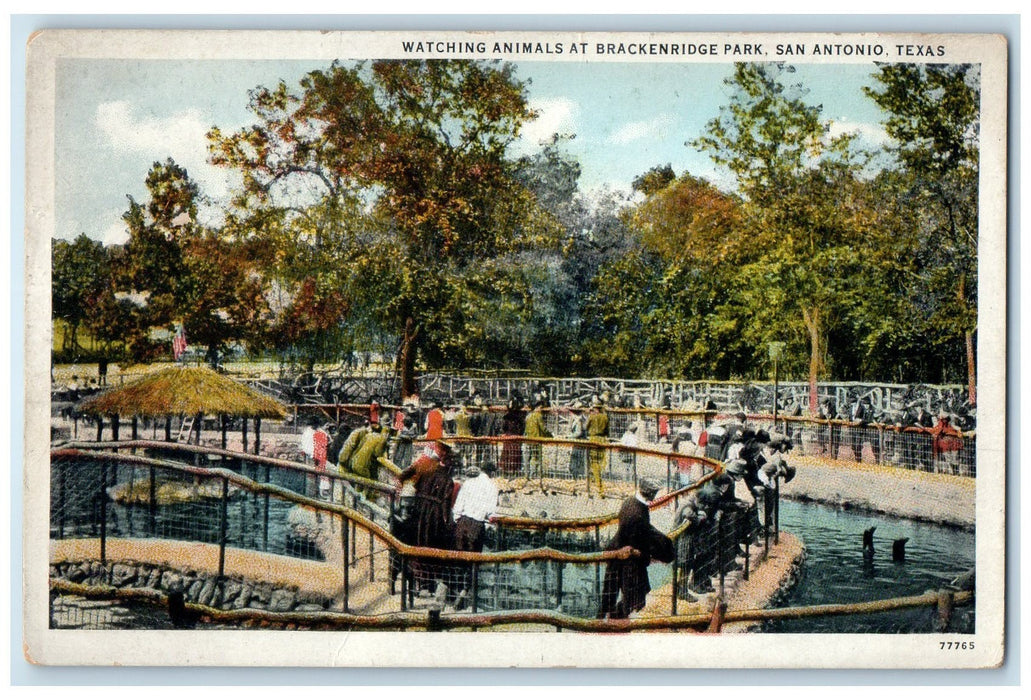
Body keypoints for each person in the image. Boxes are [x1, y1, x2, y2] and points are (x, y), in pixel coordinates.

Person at [598, 478, 673, 619]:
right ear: (651, 494)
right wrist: (648, 556)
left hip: (620, 553)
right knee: (634, 598)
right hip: (627, 558)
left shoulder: (630, 501)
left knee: (611, 595)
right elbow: (638, 540)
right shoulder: (637, 513)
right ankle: (616, 621)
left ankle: (610, 619)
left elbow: (643, 533)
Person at [396, 441, 458, 594]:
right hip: (434, 514)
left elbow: (411, 481)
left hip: (419, 508)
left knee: (417, 541)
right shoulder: (448, 481)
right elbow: (445, 503)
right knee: (431, 544)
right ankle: (428, 583)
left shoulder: (426, 467)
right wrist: (447, 522)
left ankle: (418, 581)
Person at [450, 463, 499, 609]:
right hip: (477, 525)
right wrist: (488, 526)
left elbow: (458, 507)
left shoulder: (469, 483)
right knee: (473, 562)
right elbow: (491, 513)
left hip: (463, 522)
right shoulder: (492, 487)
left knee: (459, 559)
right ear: (492, 473)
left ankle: (457, 591)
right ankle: (466, 592)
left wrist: (458, 520)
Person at [586, 398, 610, 498]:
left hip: (593, 439)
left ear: (595, 408)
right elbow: (607, 430)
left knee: (594, 462)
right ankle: (597, 480)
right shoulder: (605, 417)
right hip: (602, 440)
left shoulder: (591, 417)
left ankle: (599, 486)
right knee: (600, 462)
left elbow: (586, 427)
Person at [523, 399, 552, 482]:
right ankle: (534, 474)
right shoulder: (538, 416)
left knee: (528, 457)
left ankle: (527, 475)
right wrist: (550, 436)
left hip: (528, 439)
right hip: (537, 439)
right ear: (538, 407)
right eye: (541, 407)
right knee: (536, 457)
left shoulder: (528, 416)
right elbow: (543, 428)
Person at [499, 397, 525, 477]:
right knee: (514, 455)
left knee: (508, 454)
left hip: (509, 437)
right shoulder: (519, 417)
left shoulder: (507, 417)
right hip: (515, 437)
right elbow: (522, 428)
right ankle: (513, 471)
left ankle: (506, 471)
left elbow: (503, 428)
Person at [566, 402, 588, 479]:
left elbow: (579, 432)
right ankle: (576, 475)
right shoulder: (578, 419)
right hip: (577, 442)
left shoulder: (580, 420)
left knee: (577, 459)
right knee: (577, 459)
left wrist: (568, 437)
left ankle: (577, 476)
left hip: (579, 442)